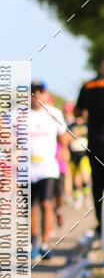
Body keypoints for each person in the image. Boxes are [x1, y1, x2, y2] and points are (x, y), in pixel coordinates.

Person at [29, 81, 68, 260]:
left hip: (47, 168)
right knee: (30, 208)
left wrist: (65, 149)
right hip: (26, 170)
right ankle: (33, 242)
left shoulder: (54, 113)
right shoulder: (18, 115)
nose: (36, 94)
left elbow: (63, 135)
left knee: (46, 203)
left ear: (46, 94)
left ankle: (45, 243)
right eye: (33, 91)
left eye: (40, 91)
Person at [75, 59, 104, 234]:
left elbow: (78, 112)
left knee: (97, 185)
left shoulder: (88, 86)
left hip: (95, 142)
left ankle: (100, 224)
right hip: (95, 142)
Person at [64, 102, 91, 208]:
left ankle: (86, 195)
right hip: (73, 155)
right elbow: (66, 139)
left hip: (84, 154)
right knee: (76, 180)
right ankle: (77, 198)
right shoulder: (71, 126)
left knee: (85, 177)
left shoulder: (87, 125)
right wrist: (73, 136)